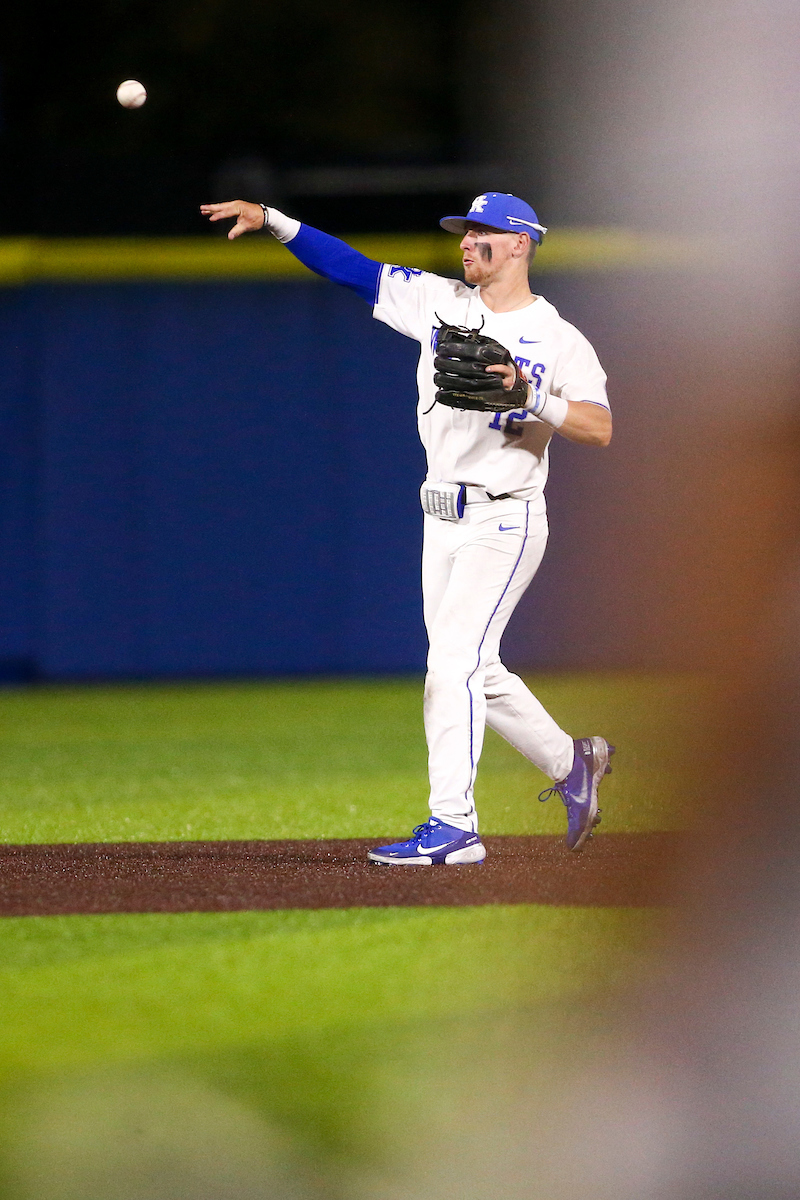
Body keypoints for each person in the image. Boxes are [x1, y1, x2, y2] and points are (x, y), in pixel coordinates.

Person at [200, 191, 614, 865]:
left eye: (483, 232)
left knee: (450, 666)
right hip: (440, 517)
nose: (466, 242)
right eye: (464, 231)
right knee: (476, 667)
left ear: (520, 244)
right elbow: (352, 270)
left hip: (505, 517)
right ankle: (575, 764)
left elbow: (599, 427)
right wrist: (276, 222)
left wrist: (532, 394)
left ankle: (454, 827)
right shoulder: (440, 302)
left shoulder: (559, 339)